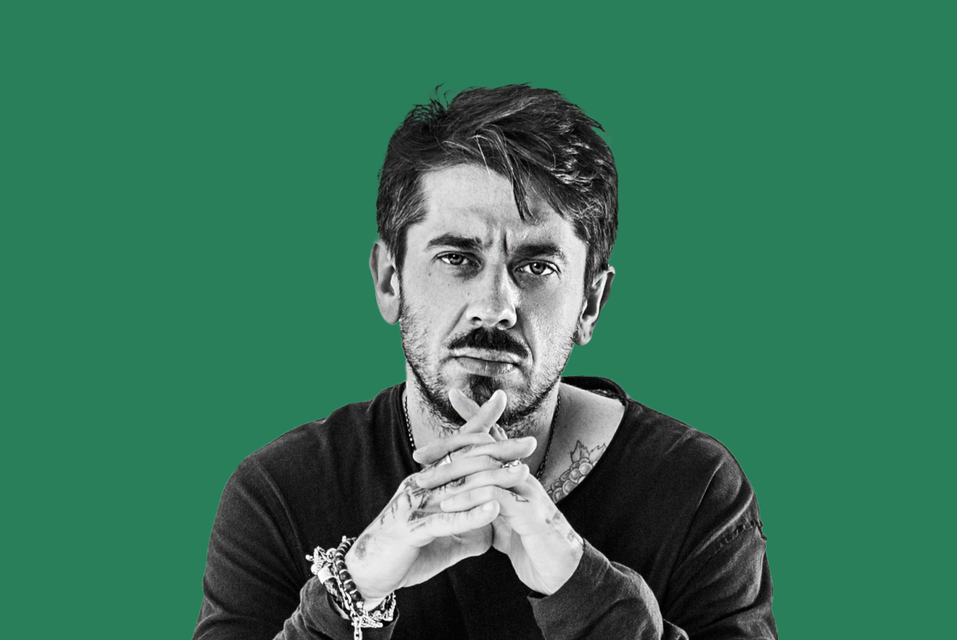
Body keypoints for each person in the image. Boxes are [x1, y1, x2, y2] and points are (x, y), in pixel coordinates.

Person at [194, 85, 777, 640]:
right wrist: (353, 587)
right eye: (457, 258)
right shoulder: (280, 492)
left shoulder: (696, 488)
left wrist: (581, 587)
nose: (495, 308)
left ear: (590, 303)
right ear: (390, 280)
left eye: (537, 267)